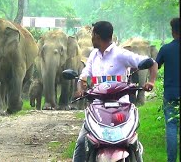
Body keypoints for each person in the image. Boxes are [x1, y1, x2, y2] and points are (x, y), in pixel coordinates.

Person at [72, 21, 158, 162]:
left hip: (121, 108)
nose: (91, 38)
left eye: (92, 34)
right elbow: (85, 77)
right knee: (82, 143)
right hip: (97, 108)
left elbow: (152, 62)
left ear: (96, 36)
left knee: (132, 142)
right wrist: (81, 88)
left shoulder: (121, 54)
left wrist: (151, 81)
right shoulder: (94, 55)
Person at [155, 17, 180, 162]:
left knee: (171, 127)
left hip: (171, 95)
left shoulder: (166, 49)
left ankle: (171, 160)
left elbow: (156, 65)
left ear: (173, 31)